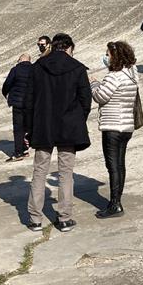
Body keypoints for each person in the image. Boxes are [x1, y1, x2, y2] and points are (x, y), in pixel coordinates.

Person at [25, 33, 91, 233]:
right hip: (68, 126)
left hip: (43, 126)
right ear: (69, 47)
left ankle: (35, 219)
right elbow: (85, 100)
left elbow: (28, 101)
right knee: (65, 173)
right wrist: (78, 119)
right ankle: (64, 218)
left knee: (39, 172)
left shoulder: (37, 67)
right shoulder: (78, 68)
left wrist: (29, 128)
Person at [90, 41, 138, 218]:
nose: (106, 57)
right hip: (126, 126)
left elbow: (100, 96)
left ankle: (115, 204)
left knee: (112, 166)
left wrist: (93, 84)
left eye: (108, 54)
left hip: (112, 126)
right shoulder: (132, 75)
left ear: (115, 56)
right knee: (120, 163)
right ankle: (117, 199)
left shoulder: (114, 77)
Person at [2, 53, 33, 161]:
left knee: (18, 128)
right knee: (27, 126)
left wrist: (5, 93)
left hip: (18, 103)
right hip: (30, 103)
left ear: (20, 60)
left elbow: (7, 84)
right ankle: (25, 148)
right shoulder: (35, 69)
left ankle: (18, 152)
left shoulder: (15, 69)